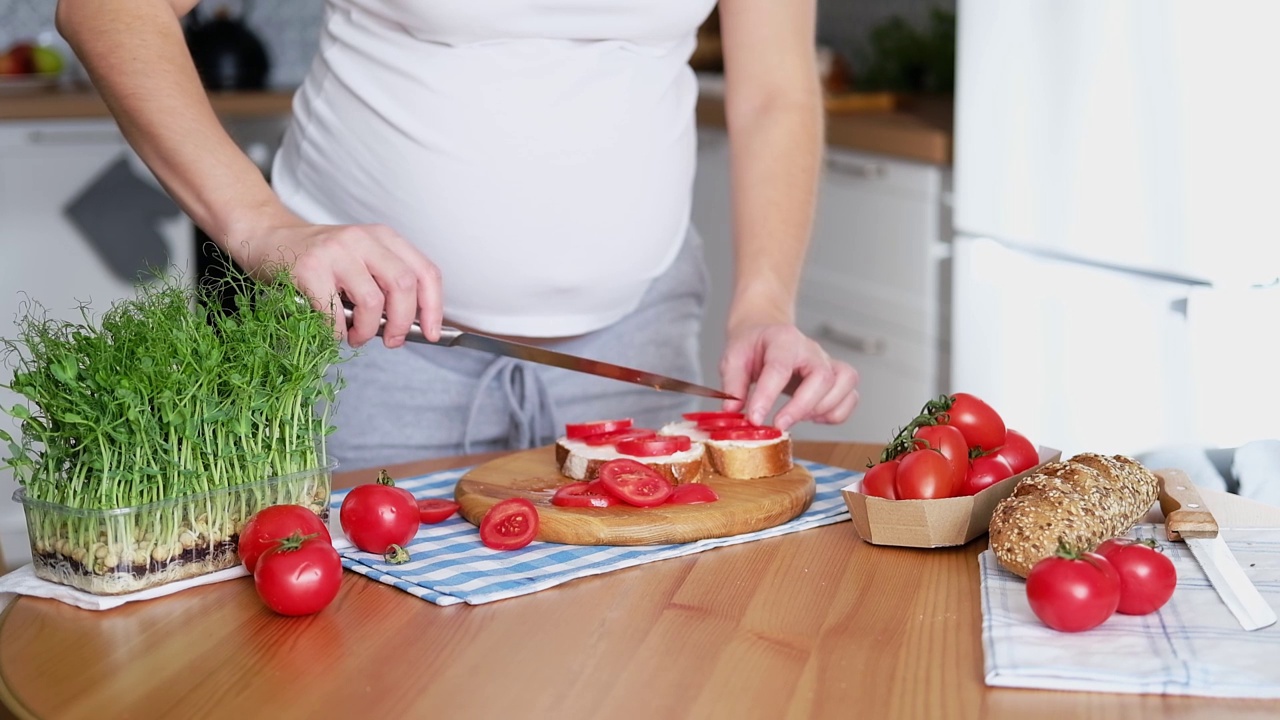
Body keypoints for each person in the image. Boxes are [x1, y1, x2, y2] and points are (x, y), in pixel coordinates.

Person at [55, 0, 860, 470]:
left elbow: (775, 92)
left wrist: (763, 301)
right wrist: (263, 226)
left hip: (638, 345)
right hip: (366, 346)